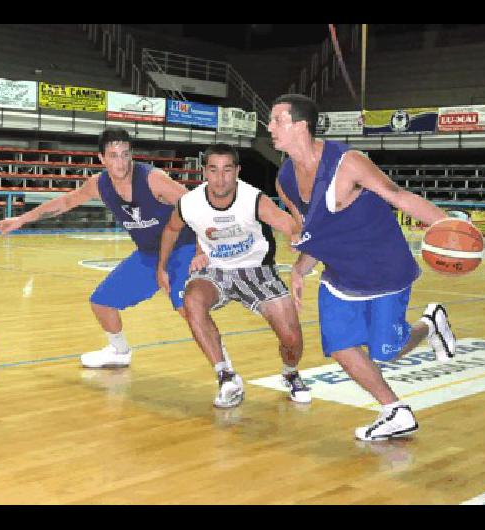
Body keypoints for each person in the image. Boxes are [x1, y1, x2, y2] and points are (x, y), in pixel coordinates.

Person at [268, 94, 456, 441]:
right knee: (340, 345)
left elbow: (398, 196)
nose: (269, 127)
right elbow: (313, 230)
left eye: (277, 120)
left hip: (386, 268)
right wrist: (299, 269)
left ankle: (429, 324)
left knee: (387, 352)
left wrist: (452, 228)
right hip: (341, 276)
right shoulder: (285, 180)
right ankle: (394, 410)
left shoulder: (347, 162)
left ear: (300, 126)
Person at [0, 128, 221, 369]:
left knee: (187, 308)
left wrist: (200, 251)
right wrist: (21, 219)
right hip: (148, 255)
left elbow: (196, 209)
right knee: (102, 302)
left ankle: (224, 366)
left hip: (182, 247)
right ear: (101, 159)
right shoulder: (99, 184)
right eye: (113, 155)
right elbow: (66, 201)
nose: (121, 162)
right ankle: (119, 351)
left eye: (125, 154)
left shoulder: (152, 179)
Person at [157, 143, 311, 408]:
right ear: (204, 171)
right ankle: (226, 376)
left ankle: (289, 373)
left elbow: (289, 226)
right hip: (214, 270)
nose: (220, 177)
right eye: (214, 170)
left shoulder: (254, 199)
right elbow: (171, 229)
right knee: (192, 300)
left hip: (258, 270)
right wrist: (161, 266)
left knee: (292, 338)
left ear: (237, 171)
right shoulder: (189, 203)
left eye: (227, 170)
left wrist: (296, 236)